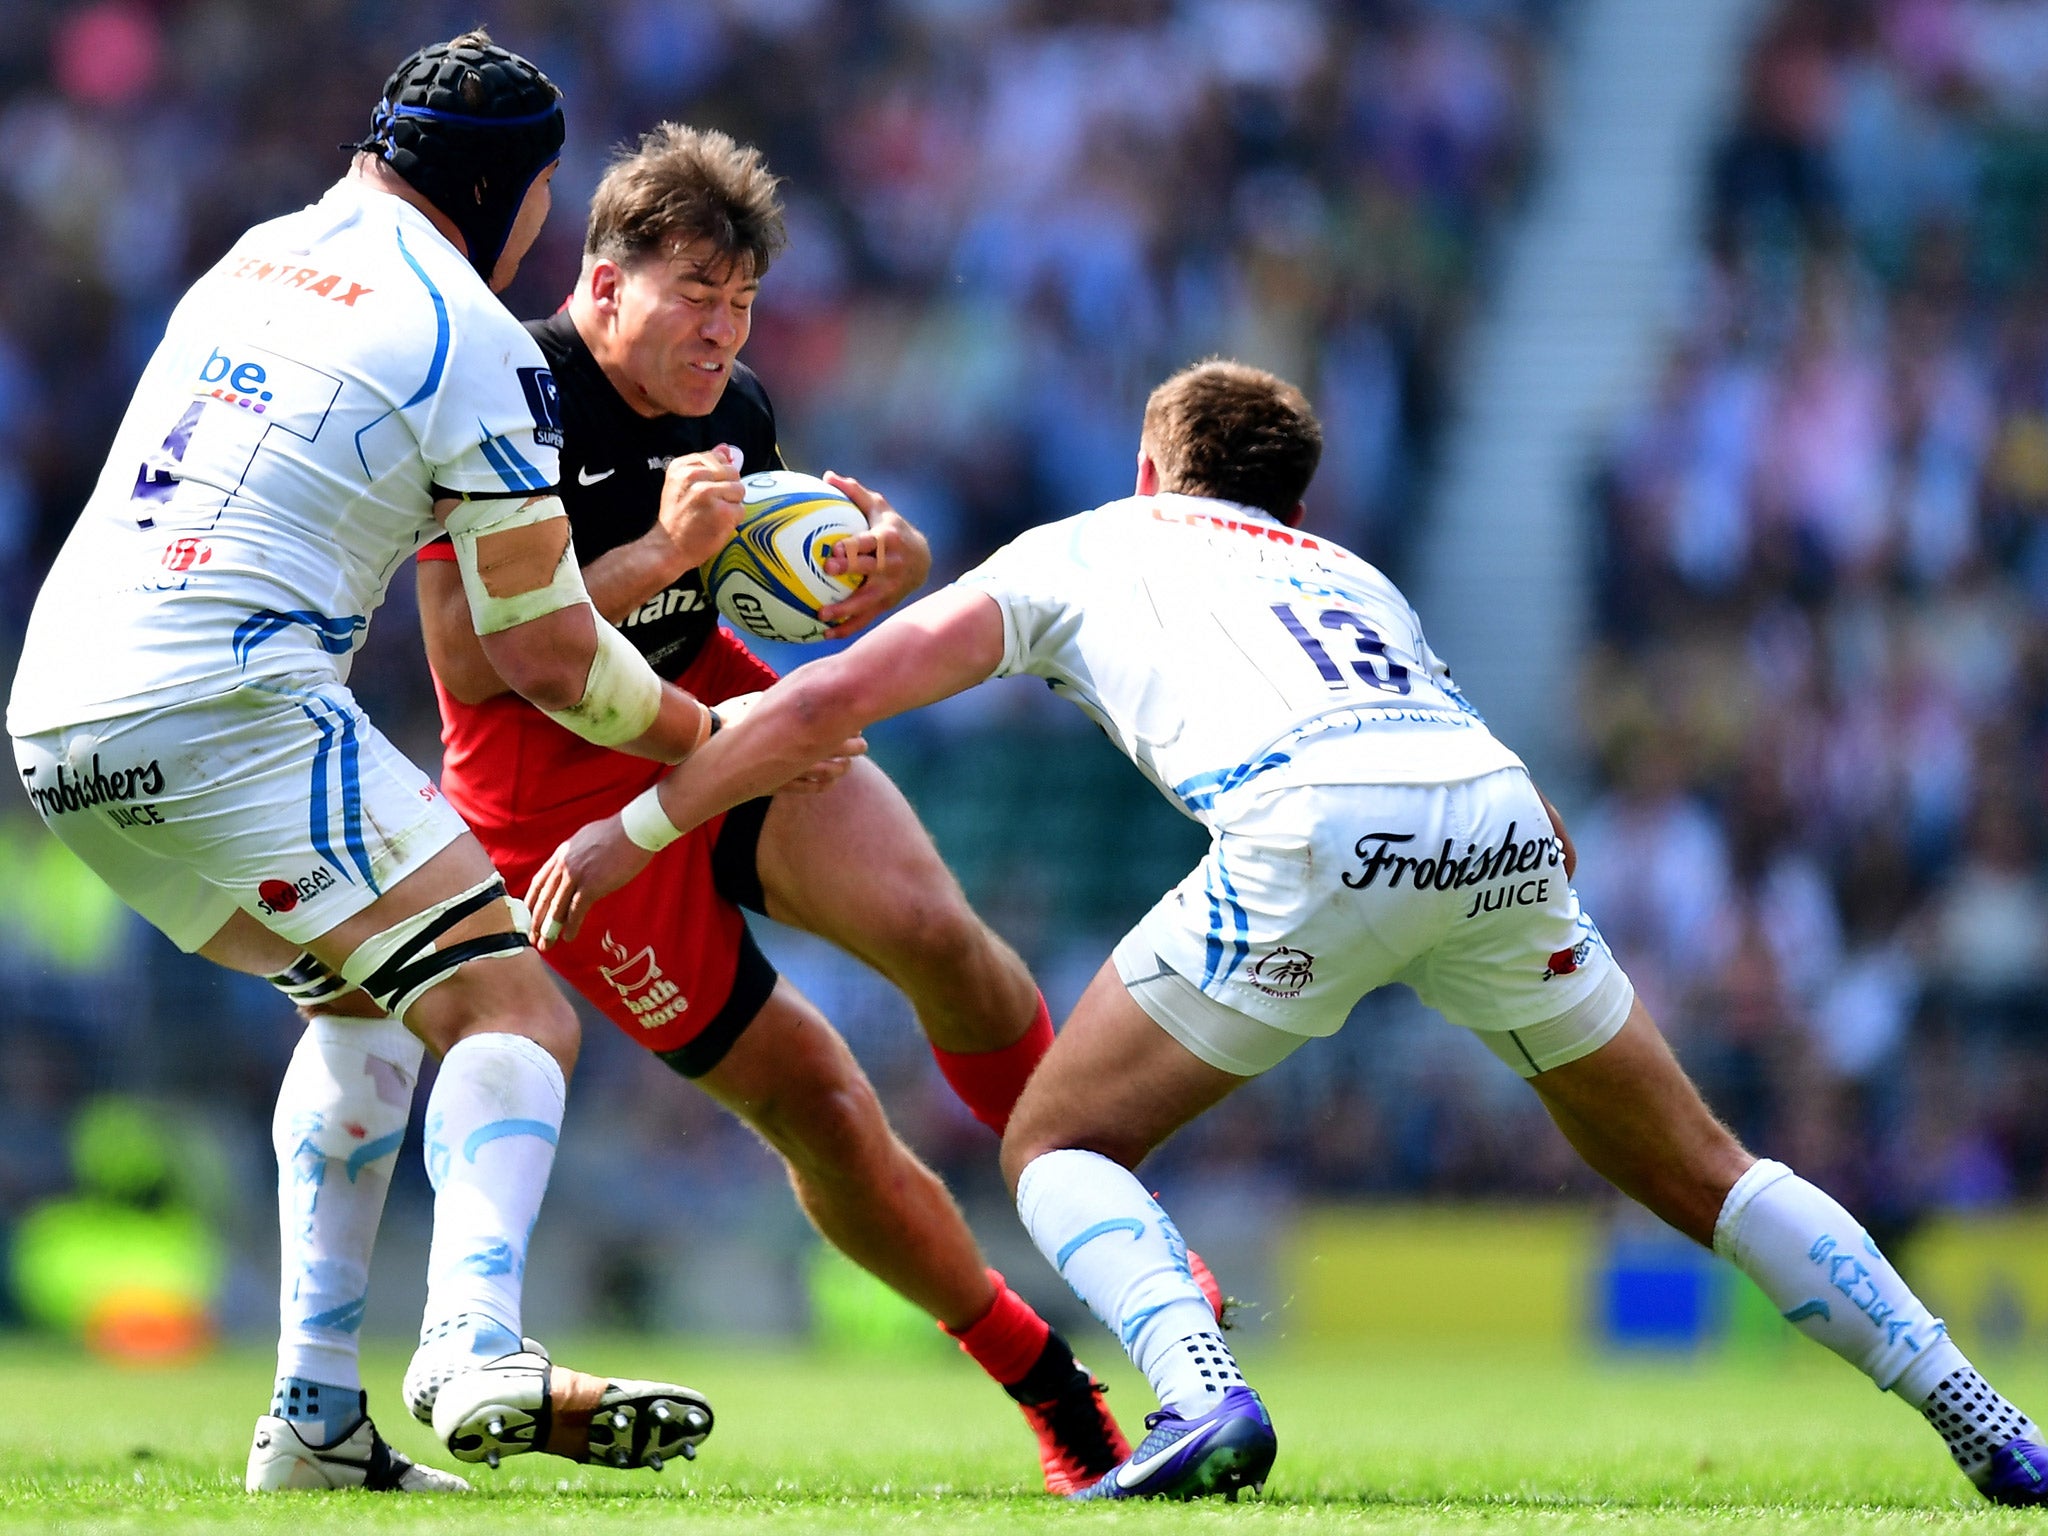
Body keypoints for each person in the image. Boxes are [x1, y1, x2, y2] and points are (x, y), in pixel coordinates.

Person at [527, 359, 2048, 1507]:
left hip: (1314, 826)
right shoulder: (1347, 570)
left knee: (1056, 1142)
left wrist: (636, 826)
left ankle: (1198, 1396)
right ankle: (1977, 1409)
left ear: (1147, 468)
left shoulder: (1085, 546)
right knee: (1703, 1169)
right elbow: (1484, 768)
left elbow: (828, 701)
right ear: (1290, 504)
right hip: (1500, 820)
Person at [406, 123, 1179, 1493]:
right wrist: (668, 548)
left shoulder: (737, 407)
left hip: (717, 716)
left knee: (942, 935)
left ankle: (1120, 1247)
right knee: (822, 1106)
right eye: (696, 296)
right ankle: (1050, 1387)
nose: (724, 330)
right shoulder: (500, 396)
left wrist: (866, 565)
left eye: (743, 301)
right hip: (559, 808)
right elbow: (483, 660)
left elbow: (751, 580)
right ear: (600, 280)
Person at [8, 32, 724, 1494]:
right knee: (513, 1001)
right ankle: (471, 1345)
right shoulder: (470, 332)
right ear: (510, 189)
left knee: (365, 1004)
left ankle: (315, 1423)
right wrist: (715, 737)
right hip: (226, 703)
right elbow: (548, 658)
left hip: (60, 718)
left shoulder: (260, 253)